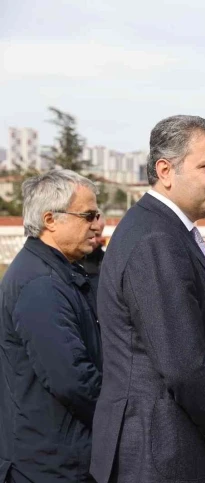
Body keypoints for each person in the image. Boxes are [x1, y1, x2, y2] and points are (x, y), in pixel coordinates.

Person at [90, 115, 205, 483]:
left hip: (168, 445)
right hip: (159, 454)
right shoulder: (157, 240)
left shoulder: (164, 229)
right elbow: (185, 368)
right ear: (165, 171)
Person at [0, 170, 103, 482]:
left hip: (59, 454)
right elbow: (72, 379)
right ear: (50, 220)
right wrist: (120, 420)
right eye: (88, 215)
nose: (97, 224)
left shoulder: (58, 272)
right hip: (49, 465)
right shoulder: (40, 283)